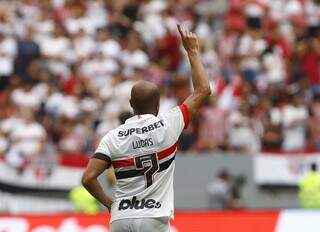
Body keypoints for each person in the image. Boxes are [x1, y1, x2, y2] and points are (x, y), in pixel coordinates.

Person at [81, 24, 211, 232]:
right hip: (153, 216)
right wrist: (192, 51)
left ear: (131, 105)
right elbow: (203, 90)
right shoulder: (169, 123)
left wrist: (110, 204)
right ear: (158, 105)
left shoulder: (113, 136)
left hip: (121, 219)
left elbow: (88, 178)